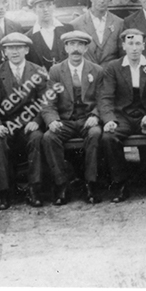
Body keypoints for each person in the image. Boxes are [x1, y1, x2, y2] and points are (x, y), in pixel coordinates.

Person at [97, 28, 146, 201]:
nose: (134, 48)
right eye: (130, 43)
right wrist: (109, 120)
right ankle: (121, 184)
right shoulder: (113, 67)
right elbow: (106, 98)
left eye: (138, 43)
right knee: (108, 137)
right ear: (123, 45)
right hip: (122, 117)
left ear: (144, 46)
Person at [40, 29, 104, 206]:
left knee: (95, 134)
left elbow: (103, 99)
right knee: (48, 137)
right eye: (72, 44)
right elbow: (48, 102)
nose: (76, 49)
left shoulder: (97, 70)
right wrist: (52, 120)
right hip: (65, 120)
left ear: (85, 48)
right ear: (66, 47)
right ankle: (61, 185)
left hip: (87, 119)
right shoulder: (55, 71)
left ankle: (91, 184)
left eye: (80, 45)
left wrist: (96, 115)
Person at [0, 32, 49, 207]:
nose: (14, 52)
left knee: (36, 138)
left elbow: (45, 100)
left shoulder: (37, 70)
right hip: (7, 123)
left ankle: (34, 189)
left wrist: (37, 120)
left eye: (18, 47)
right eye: (10, 48)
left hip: (29, 123)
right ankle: (4, 192)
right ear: (4, 51)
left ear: (26, 50)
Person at [70, 0, 124, 65]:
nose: (102, 0)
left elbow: (123, 56)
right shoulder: (76, 24)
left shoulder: (119, 23)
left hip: (110, 75)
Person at [26, 0, 72, 68]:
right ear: (34, 10)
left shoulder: (68, 29)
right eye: (41, 6)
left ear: (54, 6)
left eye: (49, 5)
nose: (45, 10)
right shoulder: (29, 37)